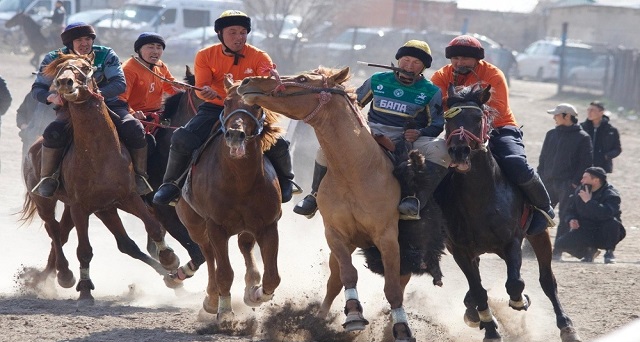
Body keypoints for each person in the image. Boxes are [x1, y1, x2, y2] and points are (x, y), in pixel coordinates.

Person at [152, 10, 298, 206]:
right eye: (233, 32)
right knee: (181, 138)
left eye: (243, 32)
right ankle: (170, 184)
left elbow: (266, 72)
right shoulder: (205, 55)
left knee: (280, 143)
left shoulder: (258, 55)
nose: (239, 37)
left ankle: (286, 181)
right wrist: (206, 93)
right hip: (214, 107)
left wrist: (271, 75)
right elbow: (201, 88)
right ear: (220, 33)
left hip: (249, 109)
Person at [293, 40, 450, 220]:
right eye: (406, 60)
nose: (409, 66)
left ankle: (415, 200)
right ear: (398, 61)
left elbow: (437, 124)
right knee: (325, 150)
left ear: (423, 67)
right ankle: (314, 196)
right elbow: (352, 106)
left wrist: (420, 133)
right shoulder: (377, 80)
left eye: (416, 63)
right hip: (371, 133)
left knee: (442, 150)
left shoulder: (431, 91)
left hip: (408, 139)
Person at [431, 34, 555, 235]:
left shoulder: (493, 75)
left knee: (516, 163)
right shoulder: (441, 76)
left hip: (499, 127)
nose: (459, 62)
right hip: (458, 129)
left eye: (464, 58)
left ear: (476, 59)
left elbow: (497, 108)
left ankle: (543, 208)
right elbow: (435, 105)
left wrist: (458, 107)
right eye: (455, 58)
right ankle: (431, 214)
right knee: (433, 163)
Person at [31, 22, 153, 197]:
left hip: (109, 104)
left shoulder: (106, 54)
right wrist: (50, 97)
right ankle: (48, 178)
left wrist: (93, 95)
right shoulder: (54, 58)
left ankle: (140, 176)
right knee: (52, 133)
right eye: (79, 39)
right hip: (71, 108)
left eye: (88, 38)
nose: (84, 43)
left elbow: (119, 84)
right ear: (69, 43)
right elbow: (38, 88)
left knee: (134, 128)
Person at [538, 103, 592, 244]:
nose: (554, 117)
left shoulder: (583, 137)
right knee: (541, 215)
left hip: (568, 184)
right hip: (548, 182)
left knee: (565, 216)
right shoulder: (551, 134)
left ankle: (559, 249)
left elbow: (585, 163)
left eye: (557, 114)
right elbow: (543, 159)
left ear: (567, 116)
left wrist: (574, 183)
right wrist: (541, 177)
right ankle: (530, 249)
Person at [554, 167, 625, 264]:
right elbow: (570, 210)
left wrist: (589, 202)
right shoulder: (581, 191)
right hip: (586, 229)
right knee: (560, 244)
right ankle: (588, 252)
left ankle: (609, 252)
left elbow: (606, 213)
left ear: (596, 180)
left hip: (604, 230)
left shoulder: (611, 194)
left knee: (613, 223)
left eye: (585, 178)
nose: (581, 180)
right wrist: (571, 219)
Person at [119, 32, 179, 121]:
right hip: (137, 116)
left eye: (159, 47)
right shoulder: (128, 70)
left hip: (157, 114)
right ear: (139, 49)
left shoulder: (161, 66)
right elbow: (120, 98)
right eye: (150, 47)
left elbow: (172, 86)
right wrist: (132, 113)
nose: (155, 51)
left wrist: (192, 91)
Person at [580, 101, 621, 173]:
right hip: (582, 166)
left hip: (602, 167)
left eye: (592, 110)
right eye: (588, 110)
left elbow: (617, 149)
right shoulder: (581, 127)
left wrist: (606, 156)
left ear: (601, 112)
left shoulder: (611, 130)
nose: (589, 112)